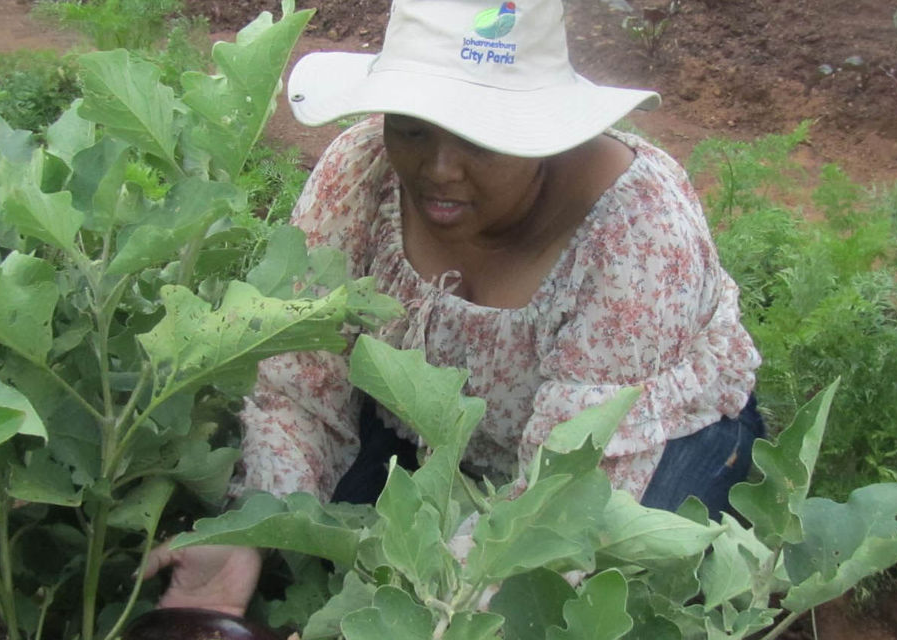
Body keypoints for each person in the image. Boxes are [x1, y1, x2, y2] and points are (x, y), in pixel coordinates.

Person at [143, 0, 764, 615]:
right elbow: (302, 383)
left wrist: (441, 611)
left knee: (578, 603)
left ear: (544, 132)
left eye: (478, 140)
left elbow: (564, 493)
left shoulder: (637, 237)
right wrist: (253, 529)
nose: (439, 169)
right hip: (432, 439)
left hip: (633, 449)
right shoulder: (362, 172)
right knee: (310, 562)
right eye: (412, 129)